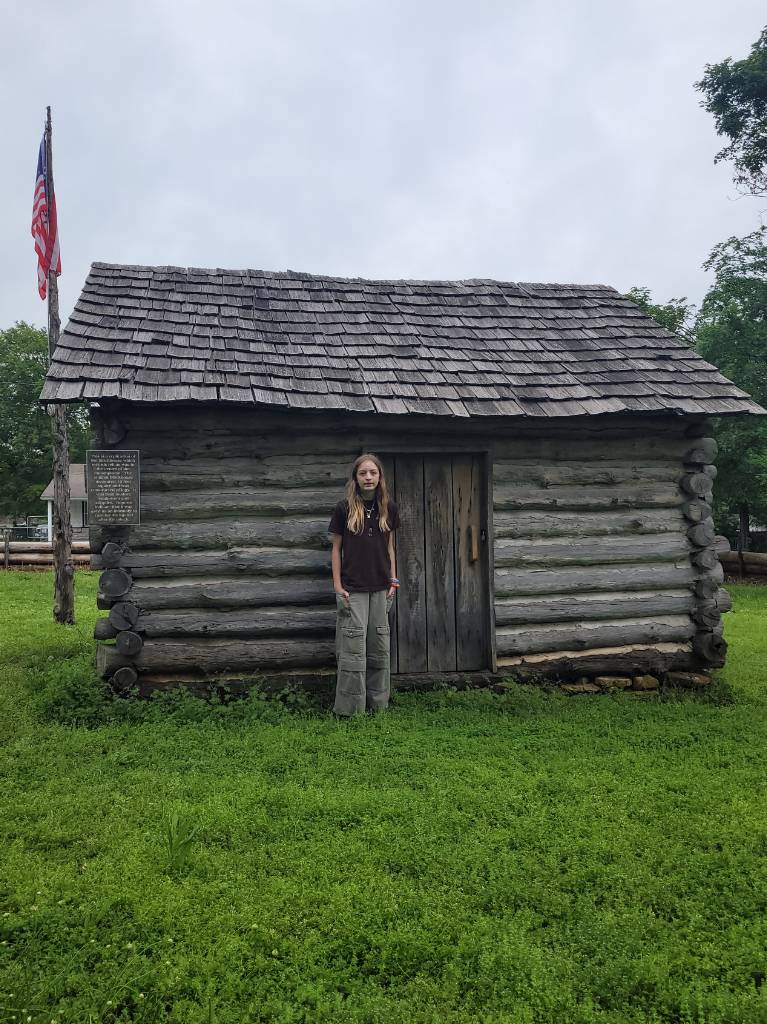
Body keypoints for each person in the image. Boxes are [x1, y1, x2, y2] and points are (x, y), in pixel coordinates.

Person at [329, 453, 400, 716]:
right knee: (353, 651)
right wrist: (338, 586)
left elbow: (390, 548)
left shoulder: (389, 508)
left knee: (379, 649)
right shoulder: (344, 509)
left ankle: (378, 705)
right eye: (363, 473)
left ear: (380, 477)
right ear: (355, 478)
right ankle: (351, 709)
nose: (368, 477)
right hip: (353, 590)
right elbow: (336, 550)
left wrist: (393, 580)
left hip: (382, 588)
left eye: (373, 472)